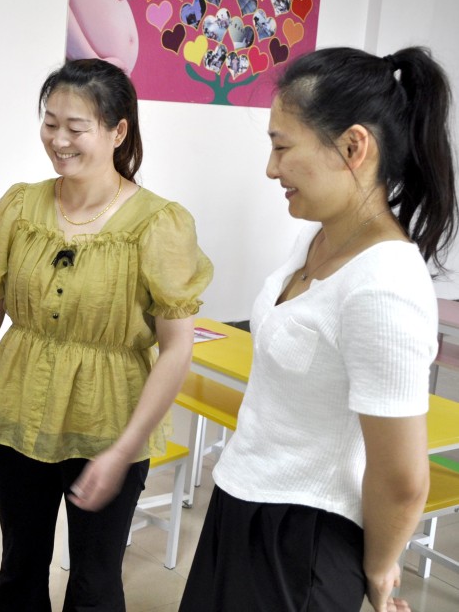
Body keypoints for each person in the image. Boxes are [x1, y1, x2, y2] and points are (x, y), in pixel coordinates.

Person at [179, 47, 457, 612]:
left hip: (302, 536)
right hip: (244, 498)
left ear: (354, 147)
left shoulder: (385, 285)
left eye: (282, 146)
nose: (271, 168)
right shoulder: (318, 236)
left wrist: (379, 572)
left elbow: (402, 478)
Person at [0, 58, 213, 611]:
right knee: (19, 568)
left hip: (109, 419)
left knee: (95, 583)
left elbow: (176, 348)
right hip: (18, 410)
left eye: (77, 128)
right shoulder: (22, 205)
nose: (59, 140)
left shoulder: (158, 223)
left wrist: (122, 452)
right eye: (50, 123)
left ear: (119, 131)